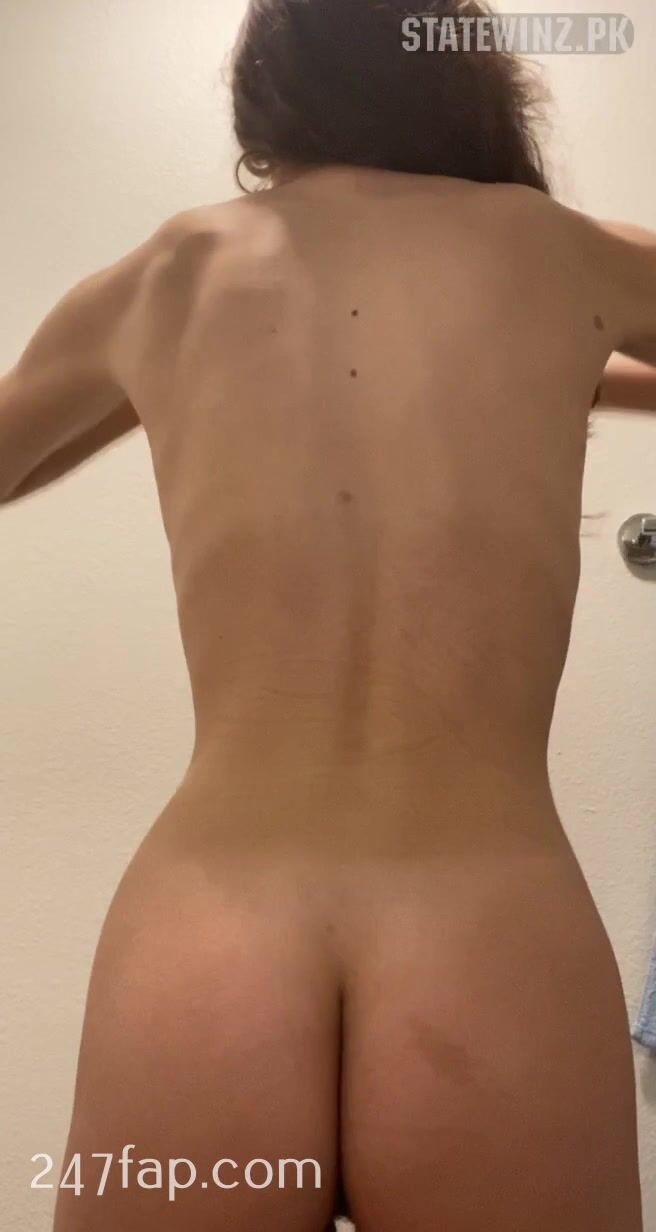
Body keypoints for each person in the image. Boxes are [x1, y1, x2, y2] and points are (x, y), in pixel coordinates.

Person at [1, 2, 654, 1229]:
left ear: (265, 94)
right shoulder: (561, 257)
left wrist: (155, 384)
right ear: (468, 87)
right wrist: (577, 368)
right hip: (487, 923)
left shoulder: (167, 275)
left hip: (209, 925)